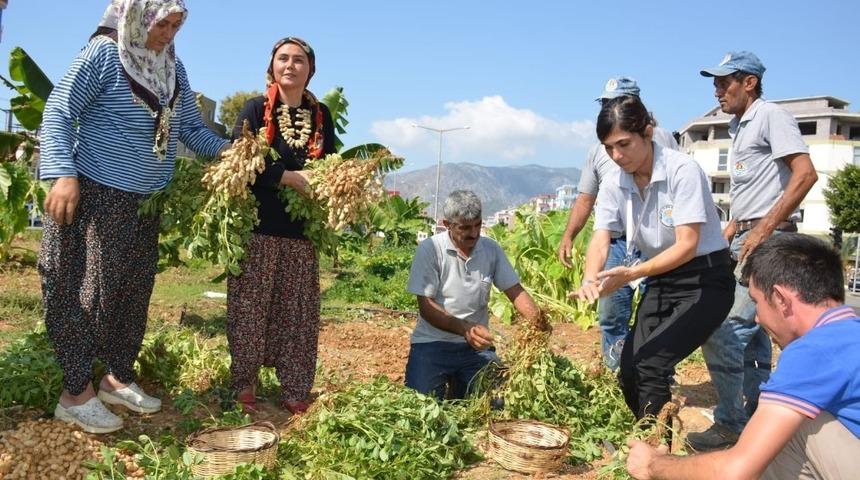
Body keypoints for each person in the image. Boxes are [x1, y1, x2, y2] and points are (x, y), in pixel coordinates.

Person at [39, 0, 230, 433]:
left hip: (146, 199)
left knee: (132, 291)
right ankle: (74, 394)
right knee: (93, 293)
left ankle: (116, 378)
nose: (170, 33)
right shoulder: (105, 55)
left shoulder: (171, 68)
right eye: (163, 23)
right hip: (99, 192)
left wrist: (231, 151)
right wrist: (62, 174)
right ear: (139, 16)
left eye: (178, 25)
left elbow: (189, 130)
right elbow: (59, 110)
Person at [626, 234, 860, 480]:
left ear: (781, 299)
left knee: (784, 433)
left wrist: (654, 465)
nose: (757, 318)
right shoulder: (849, 332)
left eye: (756, 302)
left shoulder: (813, 351)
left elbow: (736, 471)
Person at [571, 95, 734, 420]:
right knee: (629, 369)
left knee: (652, 363)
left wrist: (632, 274)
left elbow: (687, 244)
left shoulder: (682, 171)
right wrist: (591, 277)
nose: (617, 156)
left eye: (624, 144)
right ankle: (648, 439)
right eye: (608, 148)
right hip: (663, 279)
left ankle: (657, 456)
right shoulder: (616, 182)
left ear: (647, 132)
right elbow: (601, 236)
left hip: (706, 280)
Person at [688, 51, 818, 451]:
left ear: (749, 82)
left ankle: (730, 424)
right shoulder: (739, 127)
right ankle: (760, 410)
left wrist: (761, 229)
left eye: (725, 82)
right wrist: (734, 227)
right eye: (715, 82)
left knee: (724, 330)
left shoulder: (770, 116)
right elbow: (754, 191)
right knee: (758, 332)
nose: (717, 89)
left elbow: (805, 173)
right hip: (748, 235)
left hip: (769, 237)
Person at [227, 37, 335, 415]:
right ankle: (244, 386)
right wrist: (286, 177)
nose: (290, 65)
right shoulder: (255, 109)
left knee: (298, 315)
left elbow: (331, 165)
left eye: (299, 60)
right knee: (250, 311)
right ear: (271, 65)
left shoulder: (321, 115)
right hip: (257, 230)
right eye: (283, 58)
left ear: (310, 69)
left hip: (300, 235)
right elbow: (238, 160)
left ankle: (294, 390)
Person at [557, 76, 679, 371]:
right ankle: (618, 373)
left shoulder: (661, 140)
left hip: (656, 240)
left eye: (616, 102)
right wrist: (569, 235)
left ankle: (656, 376)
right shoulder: (598, 150)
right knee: (611, 311)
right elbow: (586, 197)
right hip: (616, 239)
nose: (617, 153)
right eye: (605, 104)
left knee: (657, 310)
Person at [405, 190, 541, 400]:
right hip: (432, 343)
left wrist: (538, 321)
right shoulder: (431, 249)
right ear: (447, 224)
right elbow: (426, 306)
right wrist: (464, 328)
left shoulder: (490, 250)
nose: (474, 233)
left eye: (478, 225)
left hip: (475, 349)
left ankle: (460, 384)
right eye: (465, 227)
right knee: (421, 405)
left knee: (497, 402)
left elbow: (515, 291)